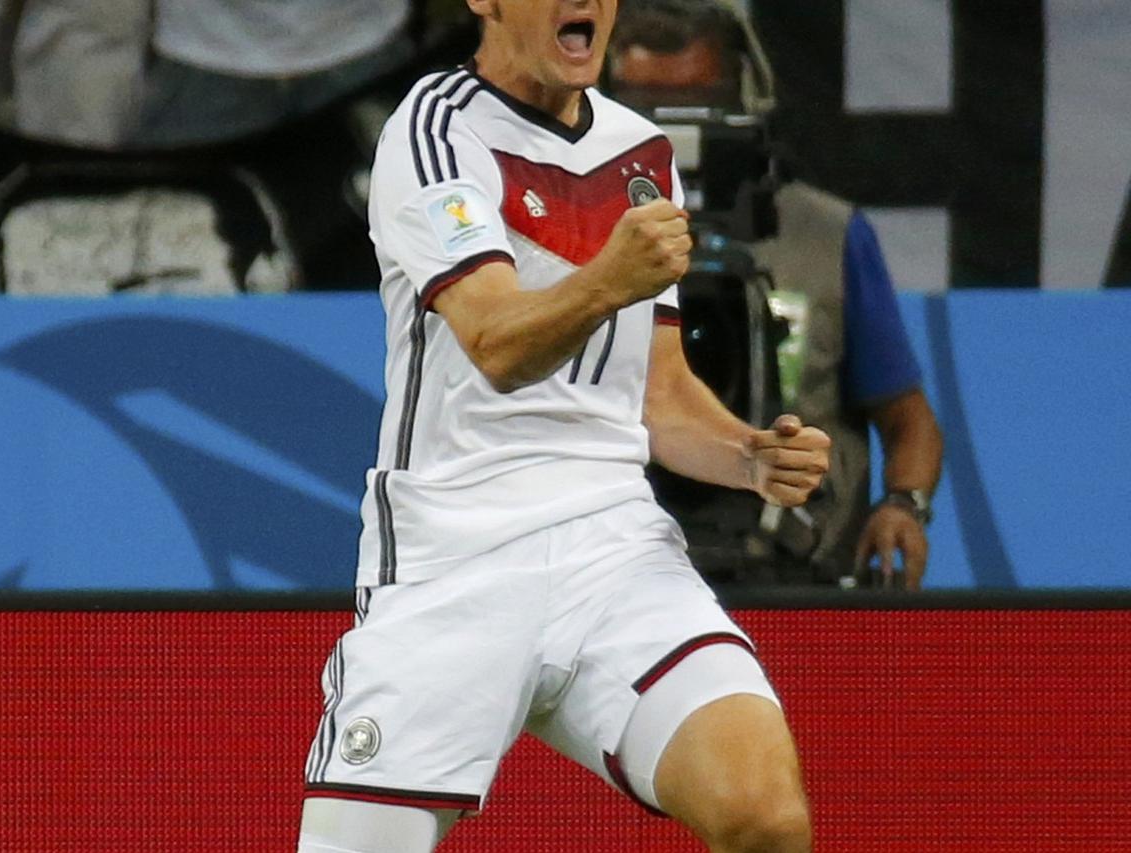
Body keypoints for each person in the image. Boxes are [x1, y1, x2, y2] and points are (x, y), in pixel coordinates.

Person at [298, 1, 829, 851]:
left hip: (615, 550)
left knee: (766, 816)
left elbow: (660, 397)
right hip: (456, 558)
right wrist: (609, 277)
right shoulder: (434, 131)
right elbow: (498, 344)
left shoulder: (640, 153)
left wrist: (750, 456)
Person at [609, 0, 944, 590]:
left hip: (795, 571)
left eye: (694, 108)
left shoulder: (825, 237)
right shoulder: (572, 232)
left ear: (745, 96)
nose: (667, 132)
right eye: (640, 110)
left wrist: (903, 507)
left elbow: (908, 418)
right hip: (620, 576)